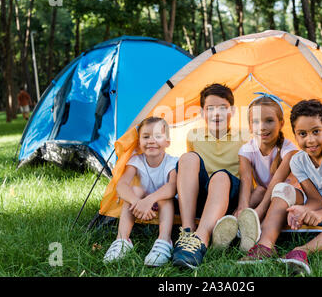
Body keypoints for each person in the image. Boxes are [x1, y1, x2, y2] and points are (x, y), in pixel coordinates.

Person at [241, 99, 322, 275]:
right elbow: (316, 199)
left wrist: (320, 214)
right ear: (294, 134)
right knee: (283, 188)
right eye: (302, 134)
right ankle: (265, 245)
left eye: (316, 132)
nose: (310, 140)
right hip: (318, 208)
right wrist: (304, 210)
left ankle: (301, 251)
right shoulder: (298, 161)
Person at [171, 83, 248, 269]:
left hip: (228, 194)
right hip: (203, 196)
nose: (216, 114)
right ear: (202, 112)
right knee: (188, 158)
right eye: (210, 109)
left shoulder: (244, 137)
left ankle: (201, 238)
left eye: (223, 108)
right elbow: (190, 173)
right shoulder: (193, 135)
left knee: (220, 177)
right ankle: (187, 232)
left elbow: (247, 175)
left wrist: (243, 206)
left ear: (233, 111)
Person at [211, 92, 299, 252]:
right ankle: (235, 225)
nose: (262, 127)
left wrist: (259, 211)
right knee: (258, 190)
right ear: (250, 126)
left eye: (269, 121)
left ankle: (245, 229)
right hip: (264, 194)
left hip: (284, 197)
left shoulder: (289, 149)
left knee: (274, 191)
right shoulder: (247, 149)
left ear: (281, 122)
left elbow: (277, 180)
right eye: (256, 122)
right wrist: (243, 208)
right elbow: (245, 179)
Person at [103, 117, 179, 266]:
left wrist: (149, 201)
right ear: (139, 143)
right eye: (146, 137)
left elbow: (172, 187)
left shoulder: (172, 162)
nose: (151, 140)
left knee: (165, 197)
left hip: (164, 205)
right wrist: (137, 202)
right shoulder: (136, 161)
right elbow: (122, 185)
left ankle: (164, 241)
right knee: (135, 190)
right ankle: (122, 240)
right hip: (140, 205)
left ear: (167, 142)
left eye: (157, 136)